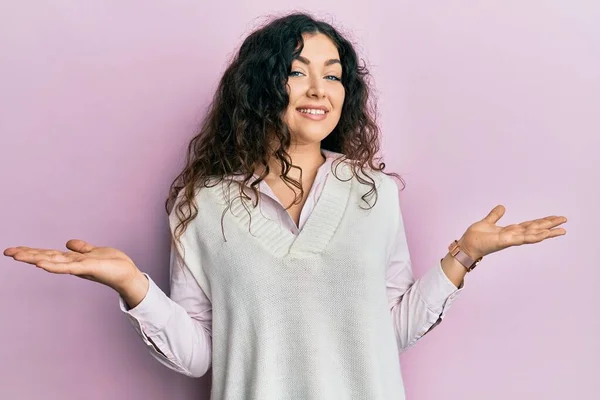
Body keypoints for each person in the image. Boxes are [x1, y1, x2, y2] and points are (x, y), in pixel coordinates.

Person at [3, 12, 567, 400]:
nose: (319, 89)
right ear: (260, 87)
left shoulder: (376, 196)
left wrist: (463, 257)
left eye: (333, 76)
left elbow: (387, 330)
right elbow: (198, 355)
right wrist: (134, 286)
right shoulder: (201, 205)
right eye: (298, 73)